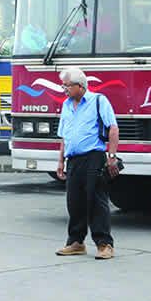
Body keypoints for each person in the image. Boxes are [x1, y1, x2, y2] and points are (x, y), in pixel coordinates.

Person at [54, 66, 121, 260]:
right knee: (74, 201)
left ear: (79, 86)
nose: (64, 89)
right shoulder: (66, 105)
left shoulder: (98, 101)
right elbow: (64, 136)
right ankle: (76, 242)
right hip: (73, 159)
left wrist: (112, 156)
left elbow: (113, 128)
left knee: (96, 201)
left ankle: (104, 244)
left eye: (66, 85)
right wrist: (60, 160)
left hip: (94, 156)